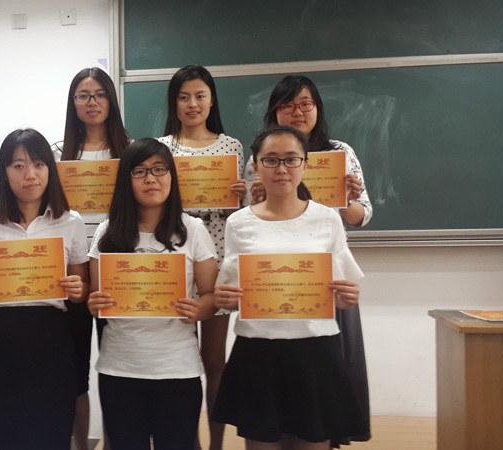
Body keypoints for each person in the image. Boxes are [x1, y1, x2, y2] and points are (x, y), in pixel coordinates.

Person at [212, 126, 368, 450]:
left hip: (316, 352)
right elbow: (228, 292)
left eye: (291, 159)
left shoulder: (327, 218)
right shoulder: (238, 222)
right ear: (256, 167)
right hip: (258, 352)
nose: (281, 168)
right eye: (271, 160)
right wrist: (224, 298)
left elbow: (344, 289)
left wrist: (348, 297)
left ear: (305, 165)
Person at [244, 75, 372, 446]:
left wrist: (347, 200)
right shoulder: (261, 155)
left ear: (317, 108)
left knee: (325, 373)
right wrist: (254, 197)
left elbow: (361, 216)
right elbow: (249, 219)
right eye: (287, 105)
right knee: (276, 367)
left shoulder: (340, 152)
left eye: (305, 104)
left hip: (324, 279)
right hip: (272, 280)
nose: (297, 112)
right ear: (274, 112)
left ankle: (322, 435)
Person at [0, 128, 89, 449]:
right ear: (4, 173)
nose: (30, 174)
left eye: (39, 164)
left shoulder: (70, 221)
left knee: (52, 434)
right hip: (1, 337)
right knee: (1, 433)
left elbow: (82, 288)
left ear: (49, 169)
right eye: (18, 166)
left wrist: (77, 289)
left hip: (52, 338)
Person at [87, 138, 219, 449]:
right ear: (126, 180)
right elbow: (95, 299)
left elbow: (211, 296)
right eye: (140, 171)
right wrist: (94, 303)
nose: (151, 179)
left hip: (177, 369)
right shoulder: (107, 232)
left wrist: (200, 309)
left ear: (172, 176)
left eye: (159, 169)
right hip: (119, 368)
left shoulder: (193, 230)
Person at [158, 64, 245, 450]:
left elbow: (239, 213)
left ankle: (216, 444)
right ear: (174, 103)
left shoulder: (232, 147)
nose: (192, 104)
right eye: (183, 97)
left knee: (214, 361)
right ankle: (187, 440)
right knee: (180, 362)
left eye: (200, 96)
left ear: (212, 101)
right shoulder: (162, 147)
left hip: (217, 258)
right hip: (173, 258)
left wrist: (236, 199)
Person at [51, 67, 132, 450]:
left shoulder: (130, 151)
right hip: (72, 271)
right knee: (73, 374)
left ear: (110, 99)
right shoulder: (56, 154)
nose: (92, 102)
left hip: (118, 269)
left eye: (99, 94)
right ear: (73, 103)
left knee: (120, 371)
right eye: (83, 95)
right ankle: (81, 445)